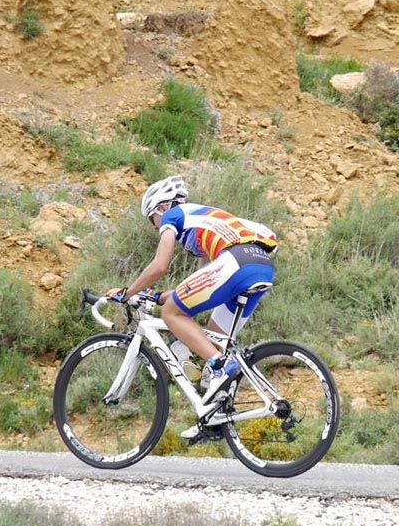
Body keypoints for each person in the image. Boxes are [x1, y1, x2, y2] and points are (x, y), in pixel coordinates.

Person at [105, 176, 277, 439]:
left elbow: (160, 266)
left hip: (237, 260)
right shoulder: (202, 229)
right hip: (260, 264)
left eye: (152, 220)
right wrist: (159, 295)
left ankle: (221, 366)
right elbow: (193, 290)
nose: (155, 228)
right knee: (210, 341)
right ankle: (216, 419)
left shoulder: (172, 216)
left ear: (160, 208)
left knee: (172, 315)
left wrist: (129, 292)